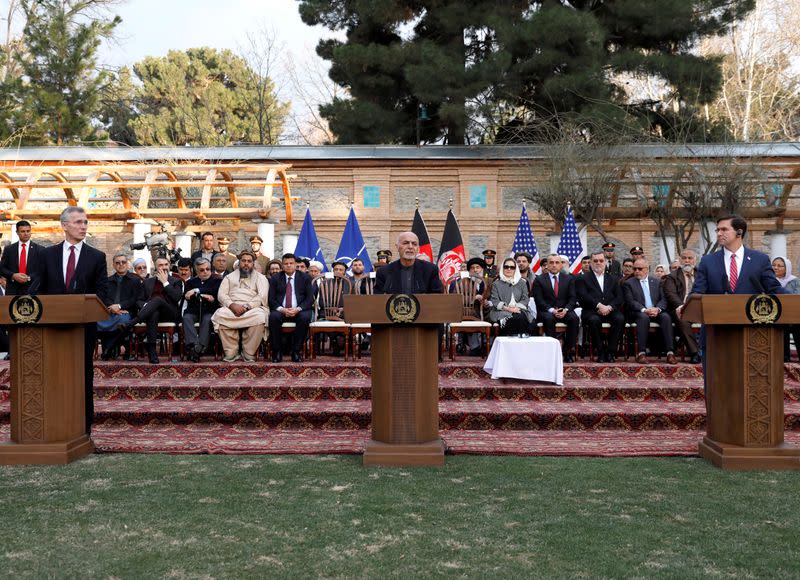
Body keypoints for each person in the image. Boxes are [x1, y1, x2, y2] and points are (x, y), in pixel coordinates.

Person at [36, 206, 110, 434]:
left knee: (82, 375)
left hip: (82, 329)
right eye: (78, 222)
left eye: (85, 222)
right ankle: (53, 421)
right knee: (53, 375)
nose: (83, 226)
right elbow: (37, 289)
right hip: (52, 329)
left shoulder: (97, 257)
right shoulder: (46, 255)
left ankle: (84, 425)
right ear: (64, 225)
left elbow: (102, 295)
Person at [682, 215, 781, 299]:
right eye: (718, 230)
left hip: (750, 318)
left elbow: (773, 288)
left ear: (739, 232)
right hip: (716, 318)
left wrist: (795, 300)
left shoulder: (760, 259)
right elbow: (698, 291)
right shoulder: (707, 261)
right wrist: (686, 305)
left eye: (724, 229)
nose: (719, 233)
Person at [212, 251, 270, 362]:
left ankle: (248, 352)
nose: (246, 264)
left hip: (252, 309)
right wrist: (232, 305)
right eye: (243, 261)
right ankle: (231, 352)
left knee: (260, 317)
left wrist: (247, 307)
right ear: (239, 263)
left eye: (249, 261)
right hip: (232, 308)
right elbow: (221, 295)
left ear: (253, 263)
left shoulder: (261, 278)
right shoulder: (229, 277)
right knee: (220, 314)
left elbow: (262, 296)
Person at [124, 256, 183, 364]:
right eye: (160, 265)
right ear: (155, 267)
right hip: (151, 313)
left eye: (166, 264)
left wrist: (165, 283)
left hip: (170, 313)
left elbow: (176, 297)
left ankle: (132, 323)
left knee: (157, 300)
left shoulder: (176, 281)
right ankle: (152, 352)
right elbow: (139, 301)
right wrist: (148, 305)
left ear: (169, 265)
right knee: (154, 312)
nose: (164, 267)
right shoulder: (148, 282)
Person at [623, 258, 677, 364]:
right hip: (638, 312)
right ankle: (641, 353)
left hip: (656, 310)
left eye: (640, 268)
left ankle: (670, 353)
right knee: (643, 318)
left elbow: (664, 299)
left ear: (647, 269)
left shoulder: (657, 282)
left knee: (666, 317)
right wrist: (644, 310)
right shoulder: (629, 283)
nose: (637, 271)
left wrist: (657, 309)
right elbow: (630, 301)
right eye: (635, 269)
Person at [576, 251, 625, 362]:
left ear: (605, 262)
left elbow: (619, 297)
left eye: (601, 261)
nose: (598, 263)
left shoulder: (613, 278)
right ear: (591, 263)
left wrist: (609, 307)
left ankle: (611, 352)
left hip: (610, 310)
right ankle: (601, 351)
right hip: (591, 310)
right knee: (594, 320)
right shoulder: (582, 278)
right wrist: (599, 306)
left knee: (620, 318)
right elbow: (583, 296)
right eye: (595, 261)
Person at [268, 253, 314, 362]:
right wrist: (282, 309)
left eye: (291, 263)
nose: (288, 265)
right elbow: (271, 299)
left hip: (299, 310)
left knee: (304, 317)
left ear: (295, 264)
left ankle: (296, 352)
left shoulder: (305, 277)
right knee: (273, 317)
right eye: (286, 263)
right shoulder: (275, 278)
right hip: (281, 310)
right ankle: (277, 352)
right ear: (282, 266)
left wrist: (297, 309)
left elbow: (309, 299)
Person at [533, 254, 579, 362]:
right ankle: (554, 351)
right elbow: (539, 300)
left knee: (574, 319)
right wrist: (552, 310)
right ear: (547, 265)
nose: (554, 265)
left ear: (561, 265)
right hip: (547, 311)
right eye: (551, 262)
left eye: (557, 262)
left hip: (565, 310)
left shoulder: (569, 279)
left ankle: (567, 351)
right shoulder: (539, 280)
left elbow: (573, 298)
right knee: (549, 319)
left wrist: (566, 310)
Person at [97, 253, 143, 360]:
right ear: (113, 265)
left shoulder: (135, 280)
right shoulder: (108, 281)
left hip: (127, 311)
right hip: (109, 311)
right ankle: (112, 347)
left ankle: (108, 348)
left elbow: (135, 298)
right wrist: (112, 307)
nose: (121, 264)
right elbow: (104, 298)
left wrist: (119, 306)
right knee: (96, 321)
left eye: (123, 262)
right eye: (117, 263)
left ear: (127, 264)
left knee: (123, 322)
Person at [662, 249, 701, 364]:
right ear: (680, 260)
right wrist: (681, 306)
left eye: (690, 258)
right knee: (682, 319)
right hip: (680, 309)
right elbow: (670, 294)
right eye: (684, 258)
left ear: (695, 260)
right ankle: (694, 353)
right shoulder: (672, 277)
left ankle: (712, 351)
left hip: (700, 308)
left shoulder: (701, 274)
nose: (687, 261)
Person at [374, 232, 443, 294]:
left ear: (418, 249)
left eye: (414, 244)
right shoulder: (384, 272)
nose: (410, 247)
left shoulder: (430, 270)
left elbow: (436, 298)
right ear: (397, 247)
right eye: (405, 243)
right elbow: (378, 299)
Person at [182, 257, 222, 362]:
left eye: (207, 269)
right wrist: (204, 295)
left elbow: (215, 292)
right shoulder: (190, 282)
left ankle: (198, 349)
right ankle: (195, 346)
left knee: (207, 319)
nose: (205, 272)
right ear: (196, 271)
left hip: (210, 310)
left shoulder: (217, 280)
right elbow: (187, 296)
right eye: (202, 270)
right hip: (194, 310)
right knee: (186, 318)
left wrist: (197, 291)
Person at [487, 258, 535, 335]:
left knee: (521, 317)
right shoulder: (496, 283)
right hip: (502, 311)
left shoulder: (522, 283)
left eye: (512, 267)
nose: (509, 269)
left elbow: (525, 299)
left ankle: (521, 342)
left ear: (515, 269)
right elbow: (495, 301)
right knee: (515, 318)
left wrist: (516, 307)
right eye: (506, 267)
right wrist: (508, 309)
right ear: (503, 268)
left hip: (519, 309)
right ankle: (510, 342)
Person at [0, 220, 43, 295]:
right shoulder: (9, 249)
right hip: (13, 290)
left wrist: (29, 278)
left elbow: (42, 270)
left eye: (28, 231)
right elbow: (2, 268)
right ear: (17, 232)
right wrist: (13, 275)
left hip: (32, 289)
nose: (26, 234)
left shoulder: (40, 249)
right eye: (23, 231)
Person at [772, 256, 800, 362]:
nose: (776, 267)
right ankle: (784, 363)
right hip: (777, 318)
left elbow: (796, 297)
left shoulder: (795, 281)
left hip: (794, 317)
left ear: (786, 268)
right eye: (773, 265)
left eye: (779, 266)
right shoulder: (769, 281)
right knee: (781, 342)